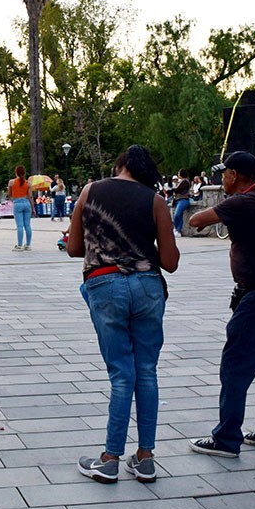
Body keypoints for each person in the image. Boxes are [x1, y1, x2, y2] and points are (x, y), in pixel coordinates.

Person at [68, 145, 180, 484]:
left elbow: (74, 248)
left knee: (121, 375)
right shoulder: (155, 200)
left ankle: (110, 459)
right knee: (146, 371)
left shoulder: (89, 191)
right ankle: (145, 458)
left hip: (104, 285)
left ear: (120, 165)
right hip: (147, 286)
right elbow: (171, 262)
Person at [186, 151, 255, 457]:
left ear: (235, 175)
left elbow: (196, 220)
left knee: (235, 364)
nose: (222, 179)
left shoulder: (243, 202)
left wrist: (224, 205)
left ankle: (226, 438)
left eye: (225, 173)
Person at [9, 166, 33, 251]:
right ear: (24, 173)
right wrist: (33, 208)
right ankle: (28, 245)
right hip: (26, 203)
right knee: (27, 225)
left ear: (16, 172)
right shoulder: (28, 183)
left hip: (17, 203)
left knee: (20, 226)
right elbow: (30, 196)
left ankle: (19, 245)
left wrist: (13, 199)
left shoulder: (12, 182)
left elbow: (10, 194)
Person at [170, 169, 191, 234]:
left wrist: (171, 190)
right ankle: (178, 230)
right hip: (178, 200)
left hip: (183, 199)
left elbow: (178, 189)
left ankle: (177, 229)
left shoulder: (185, 181)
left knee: (177, 214)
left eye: (179, 173)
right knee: (179, 216)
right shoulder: (180, 181)